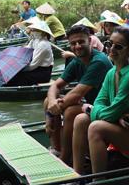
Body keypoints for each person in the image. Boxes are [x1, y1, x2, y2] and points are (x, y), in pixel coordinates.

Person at [72, 27, 129, 174]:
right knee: (80, 119)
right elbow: (100, 102)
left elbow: (107, 113)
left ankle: (98, 179)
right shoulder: (111, 72)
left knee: (96, 127)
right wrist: (115, 117)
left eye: (118, 46)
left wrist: (90, 109)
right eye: (110, 44)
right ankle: (76, 175)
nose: (112, 49)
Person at [44, 25, 113, 163]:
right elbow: (56, 85)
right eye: (73, 43)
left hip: (105, 108)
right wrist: (51, 105)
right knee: (48, 101)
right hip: (89, 104)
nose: (77, 46)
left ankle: (66, 157)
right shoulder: (77, 60)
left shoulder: (99, 61)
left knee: (70, 111)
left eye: (81, 42)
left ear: (89, 40)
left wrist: (51, 115)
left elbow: (76, 95)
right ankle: (57, 149)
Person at [6, 21, 54, 86]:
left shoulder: (43, 44)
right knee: (14, 76)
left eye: (34, 30)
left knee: (17, 78)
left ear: (42, 32)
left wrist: (19, 70)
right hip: (35, 69)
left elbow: (33, 65)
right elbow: (26, 50)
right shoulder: (35, 40)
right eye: (32, 30)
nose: (32, 31)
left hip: (42, 72)